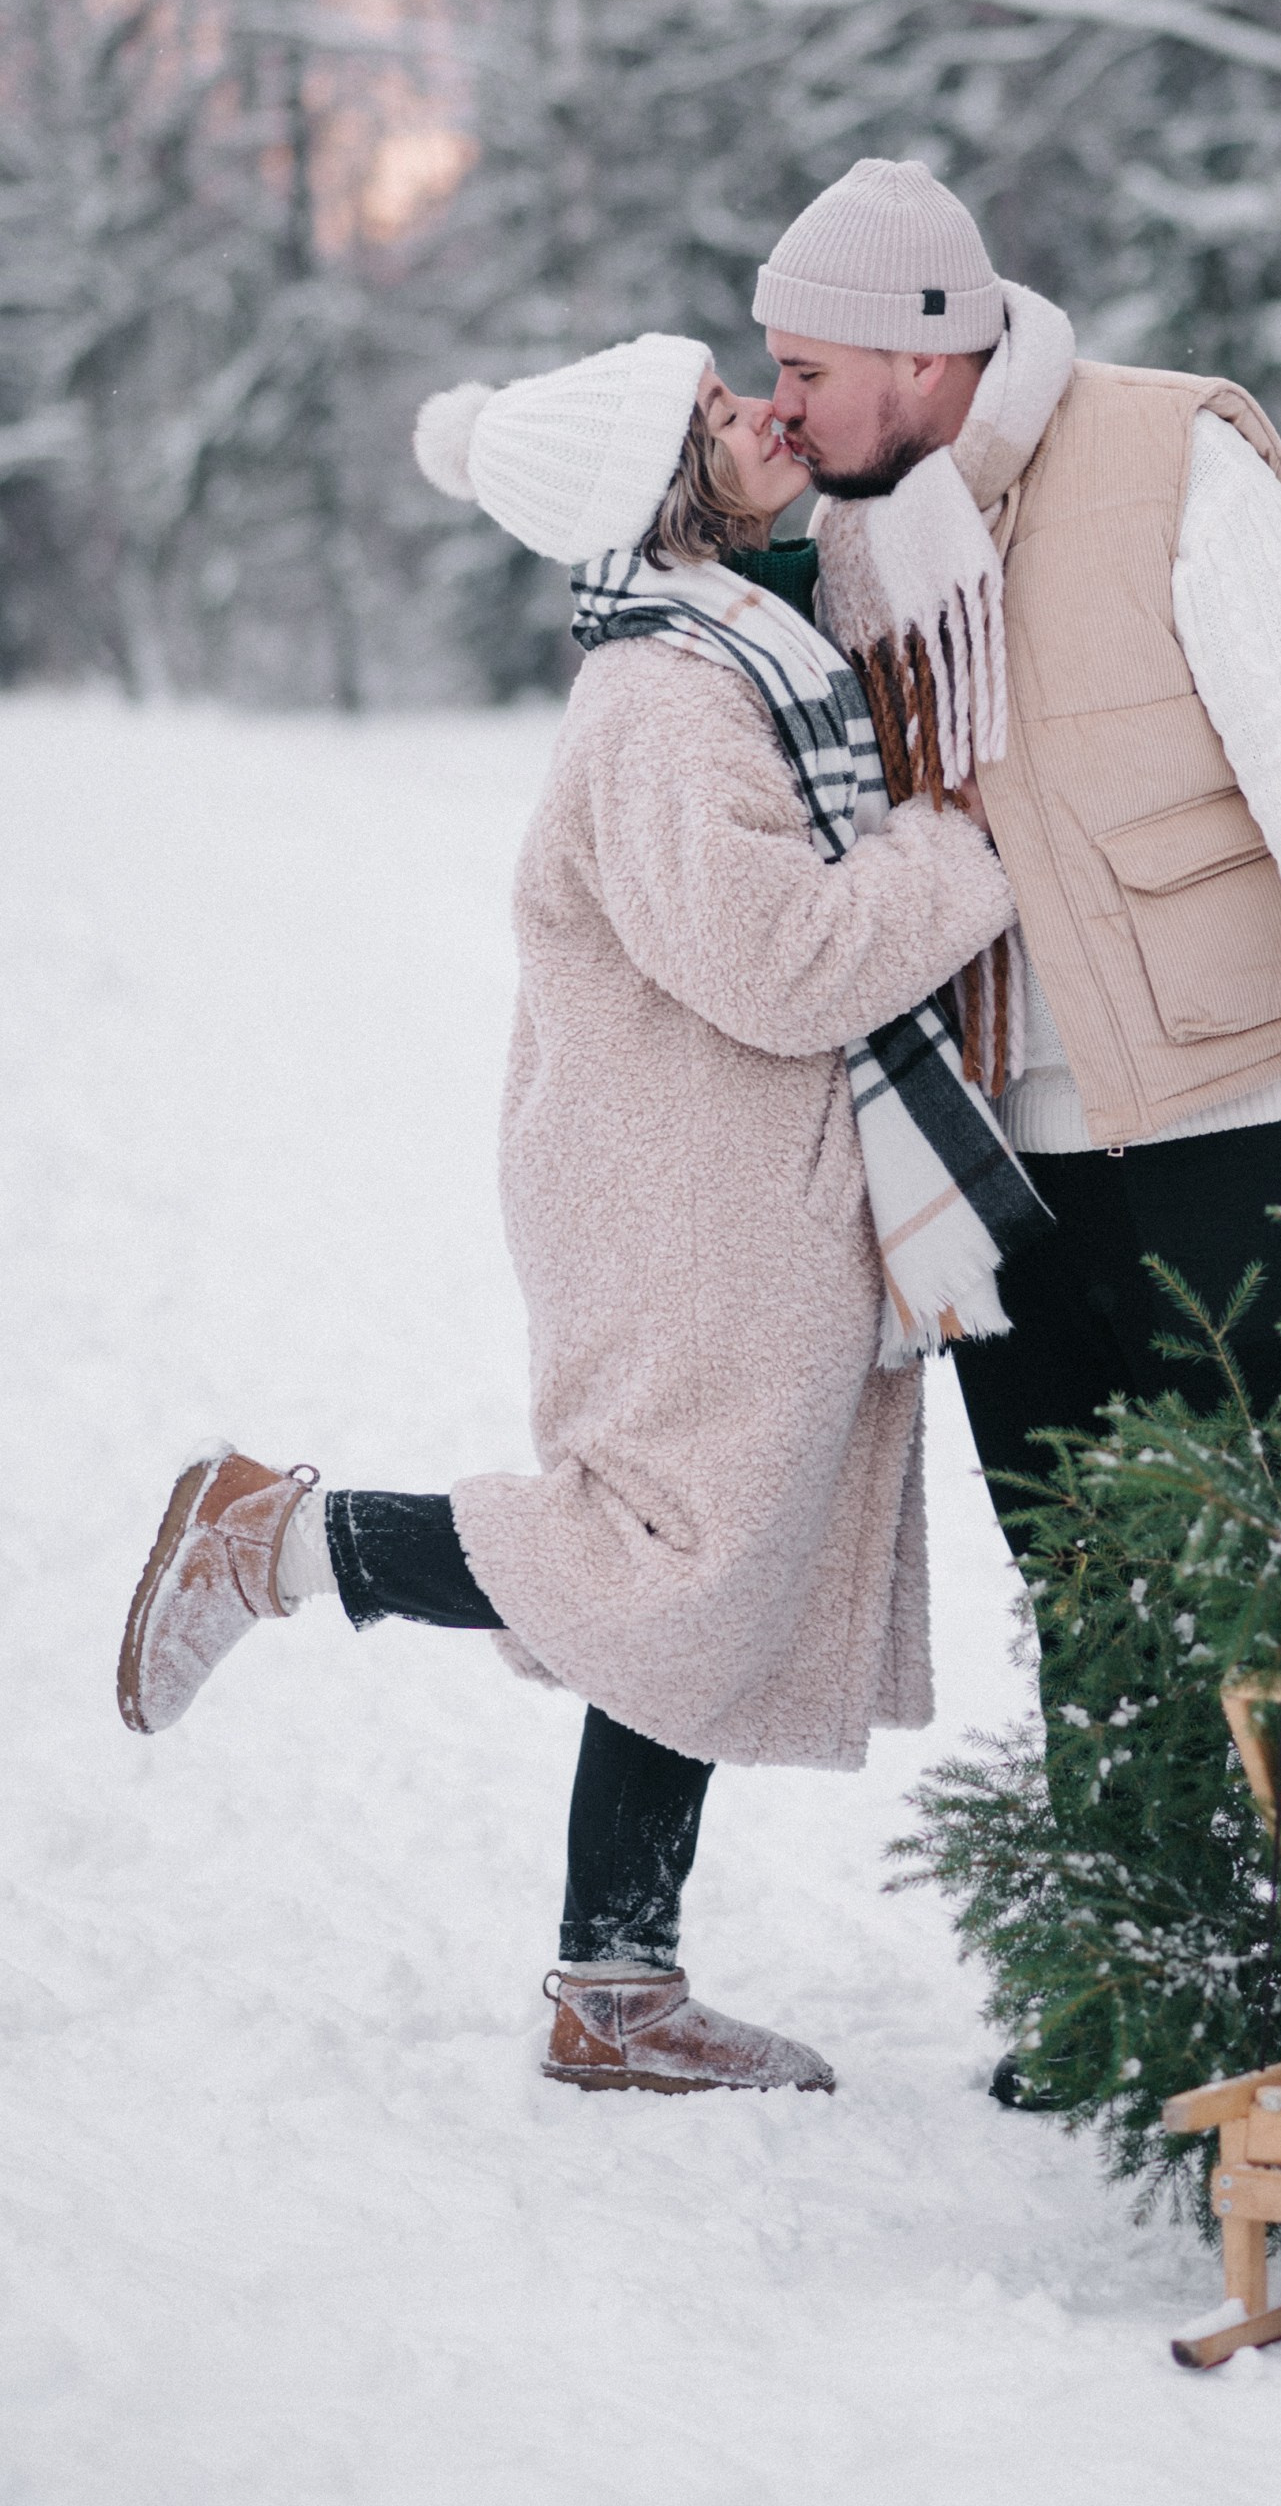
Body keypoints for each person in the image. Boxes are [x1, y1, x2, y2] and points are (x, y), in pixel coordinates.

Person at [116, 331, 1034, 2098]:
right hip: (684, 1189)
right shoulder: (668, 702)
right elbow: (774, 958)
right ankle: (282, 1539)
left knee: (696, 1549)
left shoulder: (740, 632)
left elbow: (894, 533)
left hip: (724, 1170)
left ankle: (616, 1982)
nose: (763, 411)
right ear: (666, 492)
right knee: (675, 1564)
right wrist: (966, 851)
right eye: (716, 418)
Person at [756, 157, 1281, 1633]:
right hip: (994, 1144)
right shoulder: (841, 536)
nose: (779, 403)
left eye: (804, 368)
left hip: (1237, 1099)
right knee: (1082, 1589)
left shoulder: (1170, 453)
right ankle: (1123, 1875)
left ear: (919, 351)